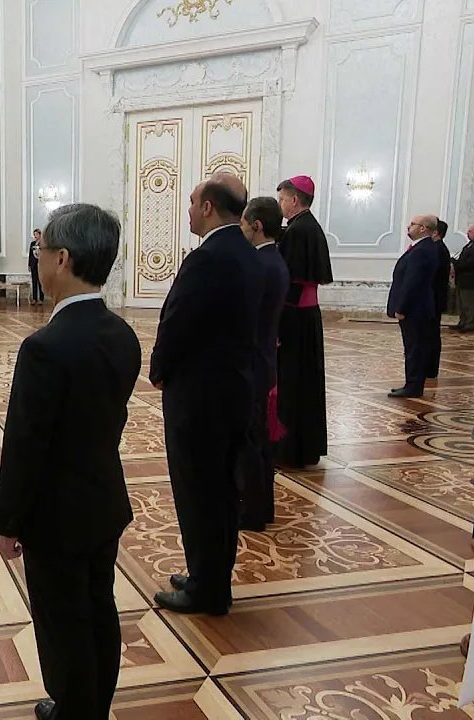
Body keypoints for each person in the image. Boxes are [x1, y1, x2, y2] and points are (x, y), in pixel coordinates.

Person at [0, 204, 140, 720]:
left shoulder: (44, 347)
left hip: (56, 516)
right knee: (99, 607)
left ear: (62, 258)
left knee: (62, 623)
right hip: (103, 501)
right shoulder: (122, 334)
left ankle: (75, 712)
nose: (37, 261)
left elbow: (25, 447)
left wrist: (7, 521)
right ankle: (94, 707)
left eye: (40, 251)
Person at [152, 173, 263, 616]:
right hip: (234, 391)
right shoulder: (249, 254)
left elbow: (178, 320)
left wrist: (159, 370)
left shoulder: (207, 258)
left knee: (199, 493)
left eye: (192, 202)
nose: (189, 210)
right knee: (220, 492)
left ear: (208, 207)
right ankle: (209, 575)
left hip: (200, 398)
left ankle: (207, 589)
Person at [237, 197, 290, 530]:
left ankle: (253, 511)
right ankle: (261, 506)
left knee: (252, 441)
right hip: (264, 360)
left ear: (256, 226)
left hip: (252, 364)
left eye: (243, 223)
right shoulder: (274, 260)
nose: (240, 229)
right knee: (258, 440)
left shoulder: (259, 265)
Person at [274, 176, 334, 468]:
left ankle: (289, 450)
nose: (281, 204)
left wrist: (276, 325)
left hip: (293, 317)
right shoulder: (309, 226)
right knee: (305, 382)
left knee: (291, 382)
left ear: (295, 199)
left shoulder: (298, 231)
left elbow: (288, 281)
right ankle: (305, 448)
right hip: (306, 316)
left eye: (282, 199)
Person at [387, 215, 440, 398]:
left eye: (412, 224)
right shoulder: (422, 248)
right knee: (412, 348)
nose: (408, 227)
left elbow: (413, 282)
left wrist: (402, 308)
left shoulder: (422, 250)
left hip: (415, 309)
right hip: (417, 308)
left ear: (423, 228)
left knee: (415, 349)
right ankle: (411, 384)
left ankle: (413, 386)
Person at [426, 220, 452, 379]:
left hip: (433, 299)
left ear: (435, 232)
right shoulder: (439, 248)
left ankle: (429, 368)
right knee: (432, 334)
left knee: (431, 334)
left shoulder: (437, 249)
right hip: (435, 298)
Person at [451, 224, 474, 332]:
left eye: (470, 231)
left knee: (469, 303)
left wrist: (456, 264)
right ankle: (462, 322)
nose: (467, 233)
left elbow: (472, 263)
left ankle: (469, 324)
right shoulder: (470, 244)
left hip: (472, 281)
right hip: (463, 280)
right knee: (461, 303)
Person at [28, 229, 45, 305]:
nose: (35, 236)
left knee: (40, 281)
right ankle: (34, 298)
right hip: (33, 264)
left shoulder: (43, 243)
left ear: (40, 235)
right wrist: (29, 264)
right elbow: (30, 255)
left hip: (40, 264)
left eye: (36, 234)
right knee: (34, 281)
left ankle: (41, 298)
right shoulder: (32, 243)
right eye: (34, 234)